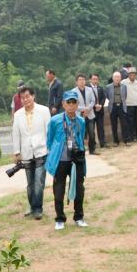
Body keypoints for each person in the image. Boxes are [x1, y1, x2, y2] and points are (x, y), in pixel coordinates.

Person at [47, 90, 88, 230]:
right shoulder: (55, 120)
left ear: (77, 104)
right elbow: (50, 140)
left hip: (77, 160)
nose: (71, 105)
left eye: (74, 102)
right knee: (58, 190)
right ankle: (60, 218)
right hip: (61, 160)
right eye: (68, 102)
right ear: (63, 104)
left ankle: (79, 217)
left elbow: (81, 137)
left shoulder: (81, 121)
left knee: (79, 189)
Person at [11, 86, 50, 219]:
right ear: (20, 100)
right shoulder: (17, 115)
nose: (25, 99)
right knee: (30, 183)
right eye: (23, 98)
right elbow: (16, 134)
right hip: (26, 152)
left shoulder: (44, 111)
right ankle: (32, 206)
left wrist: (49, 149)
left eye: (28, 96)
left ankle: (38, 209)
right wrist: (17, 152)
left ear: (33, 96)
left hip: (42, 150)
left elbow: (48, 131)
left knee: (39, 181)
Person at [73, 74, 98, 155]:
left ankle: (92, 150)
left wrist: (88, 109)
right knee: (80, 133)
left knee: (91, 132)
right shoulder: (73, 91)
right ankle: (81, 150)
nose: (82, 81)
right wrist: (84, 109)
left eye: (83, 79)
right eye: (80, 80)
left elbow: (93, 101)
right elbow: (74, 104)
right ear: (76, 81)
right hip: (79, 115)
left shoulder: (90, 89)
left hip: (90, 114)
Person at [108, 70, 127, 146]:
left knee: (124, 124)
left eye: (118, 77)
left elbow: (125, 96)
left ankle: (126, 140)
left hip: (122, 106)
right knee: (114, 125)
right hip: (113, 107)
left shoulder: (124, 86)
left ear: (121, 78)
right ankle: (116, 141)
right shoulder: (108, 87)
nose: (117, 78)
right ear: (113, 78)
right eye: (115, 77)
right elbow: (108, 96)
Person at [124, 66, 137, 142]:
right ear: (128, 75)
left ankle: (136, 135)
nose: (133, 75)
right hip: (129, 104)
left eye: (134, 74)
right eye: (131, 74)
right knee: (130, 121)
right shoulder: (124, 82)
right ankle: (131, 136)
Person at [90, 72, 108, 150]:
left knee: (101, 128)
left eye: (96, 79)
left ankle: (102, 143)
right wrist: (94, 106)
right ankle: (93, 144)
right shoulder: (87, 89)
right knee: (91, 129)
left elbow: (103, 98)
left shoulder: (100, 88)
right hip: (91, 111)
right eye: (93, 79)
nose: (95, 81)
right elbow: (88, 100)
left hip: (100, 111)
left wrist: (100, 105)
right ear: (90, 79)